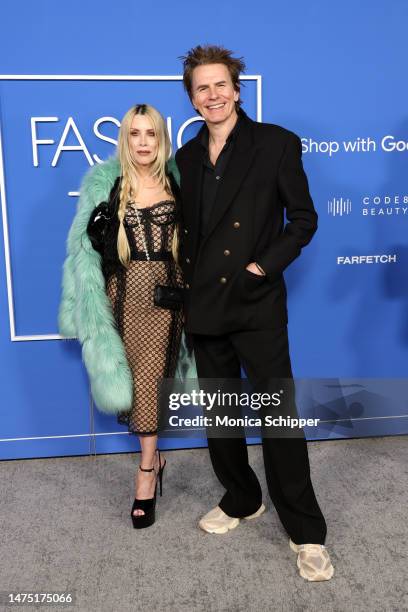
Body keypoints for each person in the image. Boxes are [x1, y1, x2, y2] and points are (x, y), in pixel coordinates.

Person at [175, 45, 334, 581]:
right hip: (205, 307)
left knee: (278, 420)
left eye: (220, 85)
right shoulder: (187, 157)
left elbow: (303, 220)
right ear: (192, 99)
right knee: (221, 417)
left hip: (256, 302)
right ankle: (242, 499)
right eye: (202, 88)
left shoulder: (276, 144)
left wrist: (261, 269)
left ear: (237, 90)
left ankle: (306, 529)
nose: (212, 95)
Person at [59, 103, 188, 529]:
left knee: (151, 380)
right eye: (135, 134)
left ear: (161, 138)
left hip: (166, 299)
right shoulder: (105, 183)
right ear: (125, 139)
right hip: (120, 296)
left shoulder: (180, 180)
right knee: (130, 379)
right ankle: (156, 459)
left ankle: (146, 472)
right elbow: (81, 249)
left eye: (151, 133)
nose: (144, 142)